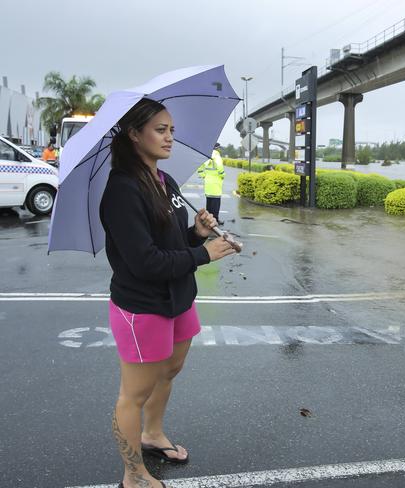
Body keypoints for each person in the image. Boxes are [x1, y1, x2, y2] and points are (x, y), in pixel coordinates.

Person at [99, 98, 237, 488]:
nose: (169, 137)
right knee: (133, 394)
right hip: (143, 306)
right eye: (161, 130)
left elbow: (173, 240)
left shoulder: (164, 180)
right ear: (133, 134)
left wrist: (196, 232)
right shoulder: (122, 190)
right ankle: (133, 474)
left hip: (179, 298)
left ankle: (152, 434)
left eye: (172, 130)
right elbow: (145, 262)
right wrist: (203, 254)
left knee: (170, 370)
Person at [197, 142, 225, 226]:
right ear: (216, 148)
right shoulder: (216, 155)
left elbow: (200, 167)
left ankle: (208, 219)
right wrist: (222, 175)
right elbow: (220, 166)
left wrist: (203, 175)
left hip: (208, 182)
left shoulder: (206, 156)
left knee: (209, 203)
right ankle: (215, 220)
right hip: (216, 184)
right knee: (216, 204)